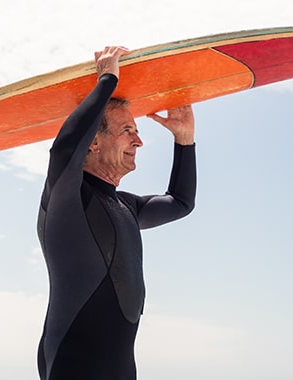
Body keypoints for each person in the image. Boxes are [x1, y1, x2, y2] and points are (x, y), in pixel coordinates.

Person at [36, 45, 197, 380]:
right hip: (72, 367)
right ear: (93, 142)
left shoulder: (127, 206)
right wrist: (106, 81)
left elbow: (181, 202)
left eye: (137, 132)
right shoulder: (68, 201)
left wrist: (185, 139)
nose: (139, 141)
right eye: (128, 131)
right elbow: (64, 150)